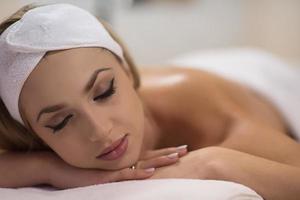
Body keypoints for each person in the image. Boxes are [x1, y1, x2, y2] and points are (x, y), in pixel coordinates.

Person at [0, 3, 299, 200]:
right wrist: (48, 168)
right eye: (61, 122)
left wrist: (210, 163)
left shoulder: (210, 117)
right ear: (31, 131)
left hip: (251, 74)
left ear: (127, 70)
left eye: (104, 91)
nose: (100, 130)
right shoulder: (31, 129)